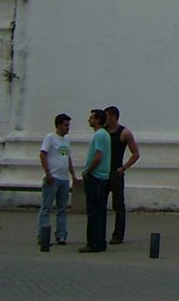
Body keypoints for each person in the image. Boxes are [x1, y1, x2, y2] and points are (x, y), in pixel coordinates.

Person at [37, 113, 77, 246]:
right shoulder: (50, 138)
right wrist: (47, 172)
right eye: (66, 125)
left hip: (64, 179)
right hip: (53, 177)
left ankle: (61, 235)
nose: (68, 128)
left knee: (62, 209)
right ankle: (43, 235)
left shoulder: (66, 141)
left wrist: (73, 175)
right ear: (59, 125)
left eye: (68, 125)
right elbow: (43, 154)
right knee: (46, 207)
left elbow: (67, 158)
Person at [103, 105, 140, 245]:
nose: (104, 119)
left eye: (106, 116)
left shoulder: (124, 133)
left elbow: (135, 153)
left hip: (115, 172)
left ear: (113, 116)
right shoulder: (103, 132)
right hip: (103, 172)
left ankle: (118, 235)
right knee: (101, 203)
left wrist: (123, 167)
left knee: (118, 205)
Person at [78, 108, 111, 253]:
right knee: (100, 211)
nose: (89, 120)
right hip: (103, 176)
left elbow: (98, 156)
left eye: (91, 117)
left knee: (93, 212)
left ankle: (92, 243)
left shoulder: (99, 135)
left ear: (98, 120)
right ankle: (100, 241)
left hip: (96, 177)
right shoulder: (105, 134)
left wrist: (87, 171)